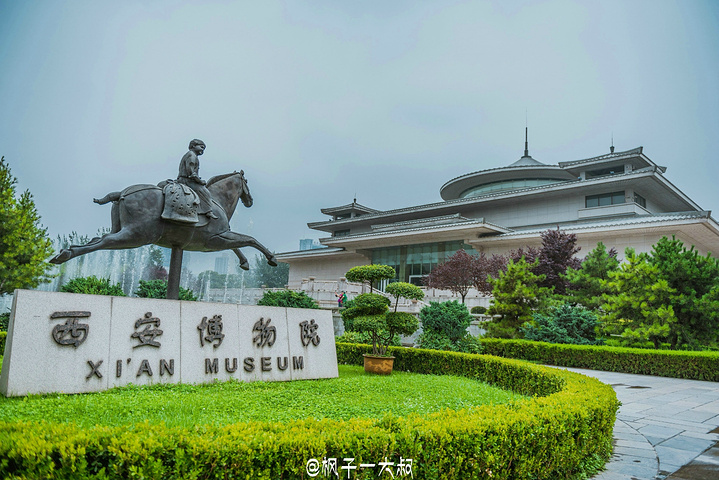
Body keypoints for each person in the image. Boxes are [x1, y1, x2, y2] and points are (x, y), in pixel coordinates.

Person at [177, 139, 218, 219]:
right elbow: (191, 172)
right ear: (193, 146)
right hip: (186, 180)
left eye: (204, 149)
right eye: (201, 147)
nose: (202, 150)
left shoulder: (191, 155)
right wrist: (199, 181)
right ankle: (208, 211)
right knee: (205, 192)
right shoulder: (192, 155)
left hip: (185, 179)